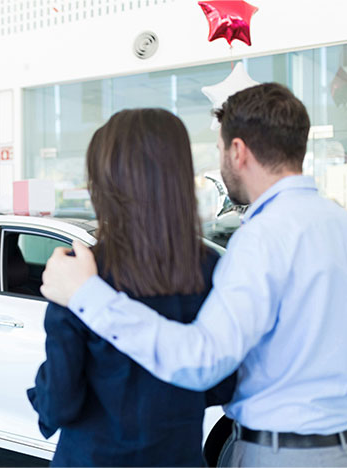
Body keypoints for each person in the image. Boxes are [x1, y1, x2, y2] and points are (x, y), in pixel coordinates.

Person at [40, 83, 347, 466]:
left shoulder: (81, 272)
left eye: (218, 150)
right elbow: (221, 382)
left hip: (274, 451)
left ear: (238, 151)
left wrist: (86, 296)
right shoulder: (336, 223)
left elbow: (202, 363)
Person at [27, 108, 236, 466]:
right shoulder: (213, 268)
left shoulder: (80, 270)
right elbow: (222, 383)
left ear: (105, 181)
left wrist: (40, 395)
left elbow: (60, 402)